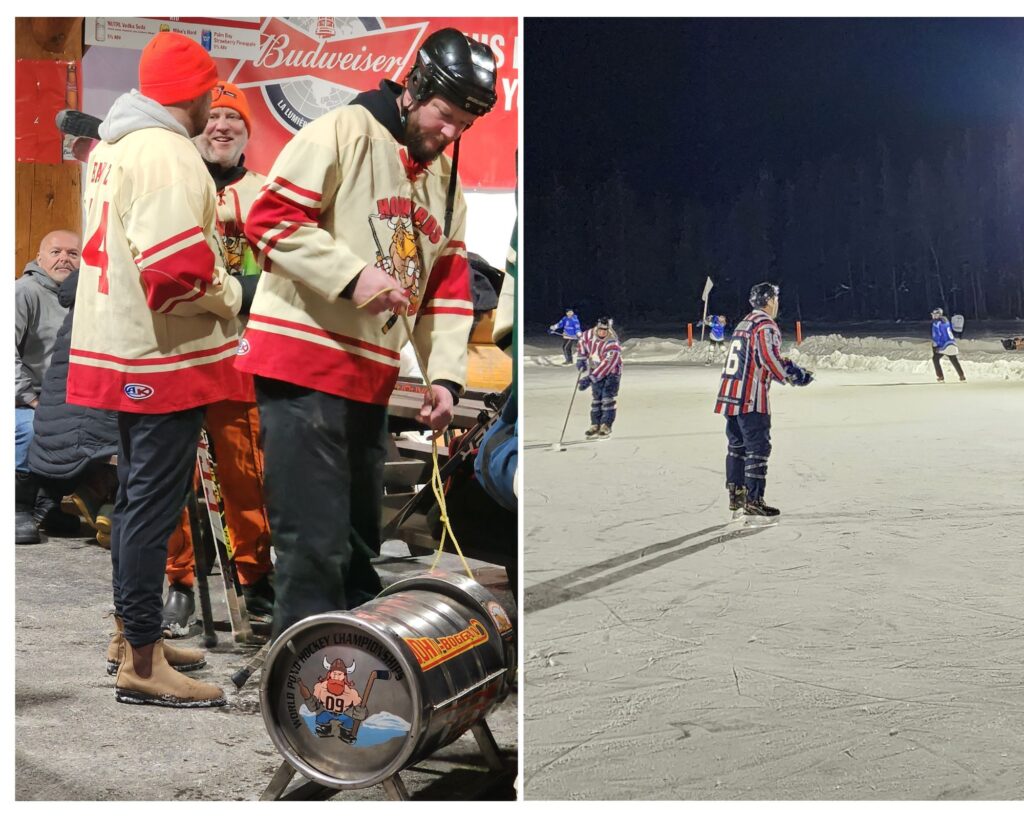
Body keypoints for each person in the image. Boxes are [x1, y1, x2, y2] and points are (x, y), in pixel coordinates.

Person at [237, 28, 498, 639]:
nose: (452, 133)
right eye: (445, 115)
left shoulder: (445, 184)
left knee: (358, 541)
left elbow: (448, 290)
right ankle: (306, 683)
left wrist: (446, 378)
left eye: (465, 123)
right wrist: (351, 275)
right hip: (303, 362)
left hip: (370, 377)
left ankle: (358, 671)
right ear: (415, 90)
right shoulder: (342, 132)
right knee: (314, 539)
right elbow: (269, 218)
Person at [66, 31, 246, 707]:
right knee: (151, 506)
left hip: (122, 343)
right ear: (193, 94)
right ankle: (142, 661)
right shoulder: (170, 153)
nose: (212, 106)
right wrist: (235, 295)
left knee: (137, 497)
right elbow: (177, 270)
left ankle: (131, 635)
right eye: (209, 93)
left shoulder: (114, 142)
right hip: (160, 352)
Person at [161, 79, 275, 634]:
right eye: (213, 117)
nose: (221, 126)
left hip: (238, 352)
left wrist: (251, 290)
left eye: (233, 119)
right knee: (173, 475)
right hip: (178, 349)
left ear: (247, 130)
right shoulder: (174, 184)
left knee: (244, 473)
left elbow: (280, 261)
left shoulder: (264, 192)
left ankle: (255, 577)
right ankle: (179, 579)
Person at [714, 282, 813, 518]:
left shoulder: (744, 322)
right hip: (751, 397)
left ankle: (736, 494)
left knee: (736, 445)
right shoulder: (765, 325)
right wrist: (791, 374)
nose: (777, 303)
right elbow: (768, 357)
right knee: (758, 446)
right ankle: (754, 498)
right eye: (775, 299)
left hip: (730, 393)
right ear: (769, 301)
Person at [15, 230, 83, 544]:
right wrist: (30, 399)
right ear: (40, 258)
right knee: (33, 429)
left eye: (73, 253)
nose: (64, 259)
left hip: (66, 397)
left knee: (97, 434)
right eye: (55, 252)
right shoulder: (23, 292)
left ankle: (47, 505)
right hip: (23, 398)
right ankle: (18, 508)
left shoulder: (86, 297)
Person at [576, 317, 622, 438]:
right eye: (600, 330)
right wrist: (581, 358)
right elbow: (582, 342)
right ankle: (595, 424)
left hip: (612, 373)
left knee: (607, 398)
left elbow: (608, 364)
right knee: (596, 398)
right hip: (594, 369)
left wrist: (590, 378)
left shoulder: (612, 343)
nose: (602, 332)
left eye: (605, 330)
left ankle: (606, 425)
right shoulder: (589, 334)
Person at [930, 308, 966, 382]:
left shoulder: (936, 323)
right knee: (953, 359)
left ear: (939, 314)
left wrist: (936, 345)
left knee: (935, 359)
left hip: (943, 345)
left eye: (935, 314)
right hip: (951, 343)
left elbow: (937, 335)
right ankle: (962, 376)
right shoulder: (946, 321)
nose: (933, 316)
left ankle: (940, 377)